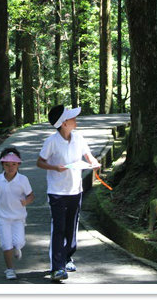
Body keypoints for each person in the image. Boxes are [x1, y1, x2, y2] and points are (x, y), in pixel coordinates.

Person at [37, 105, 100, 282]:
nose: (75, 120)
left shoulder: (78, 138)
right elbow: (40, 162)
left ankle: (67, 257)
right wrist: (54, 167)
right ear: (64, 123)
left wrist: (94, 162)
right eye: (71, 118)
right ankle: (57, 267)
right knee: (59, 228)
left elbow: (88, 156)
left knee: (72, 226)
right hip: (57, 192)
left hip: (76, 190)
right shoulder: (51, 142)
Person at [0, 147, 35, 280]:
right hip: (3, 216)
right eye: (7, 165)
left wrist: (26, 202)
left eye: (13, 164)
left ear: (18, 164)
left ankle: (18, 247)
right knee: (6, 244)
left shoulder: (23, 179)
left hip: (19, 217)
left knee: (18, 242)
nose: (10, 167)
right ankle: (9, 269)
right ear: (2, 165)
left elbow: (31, 195)